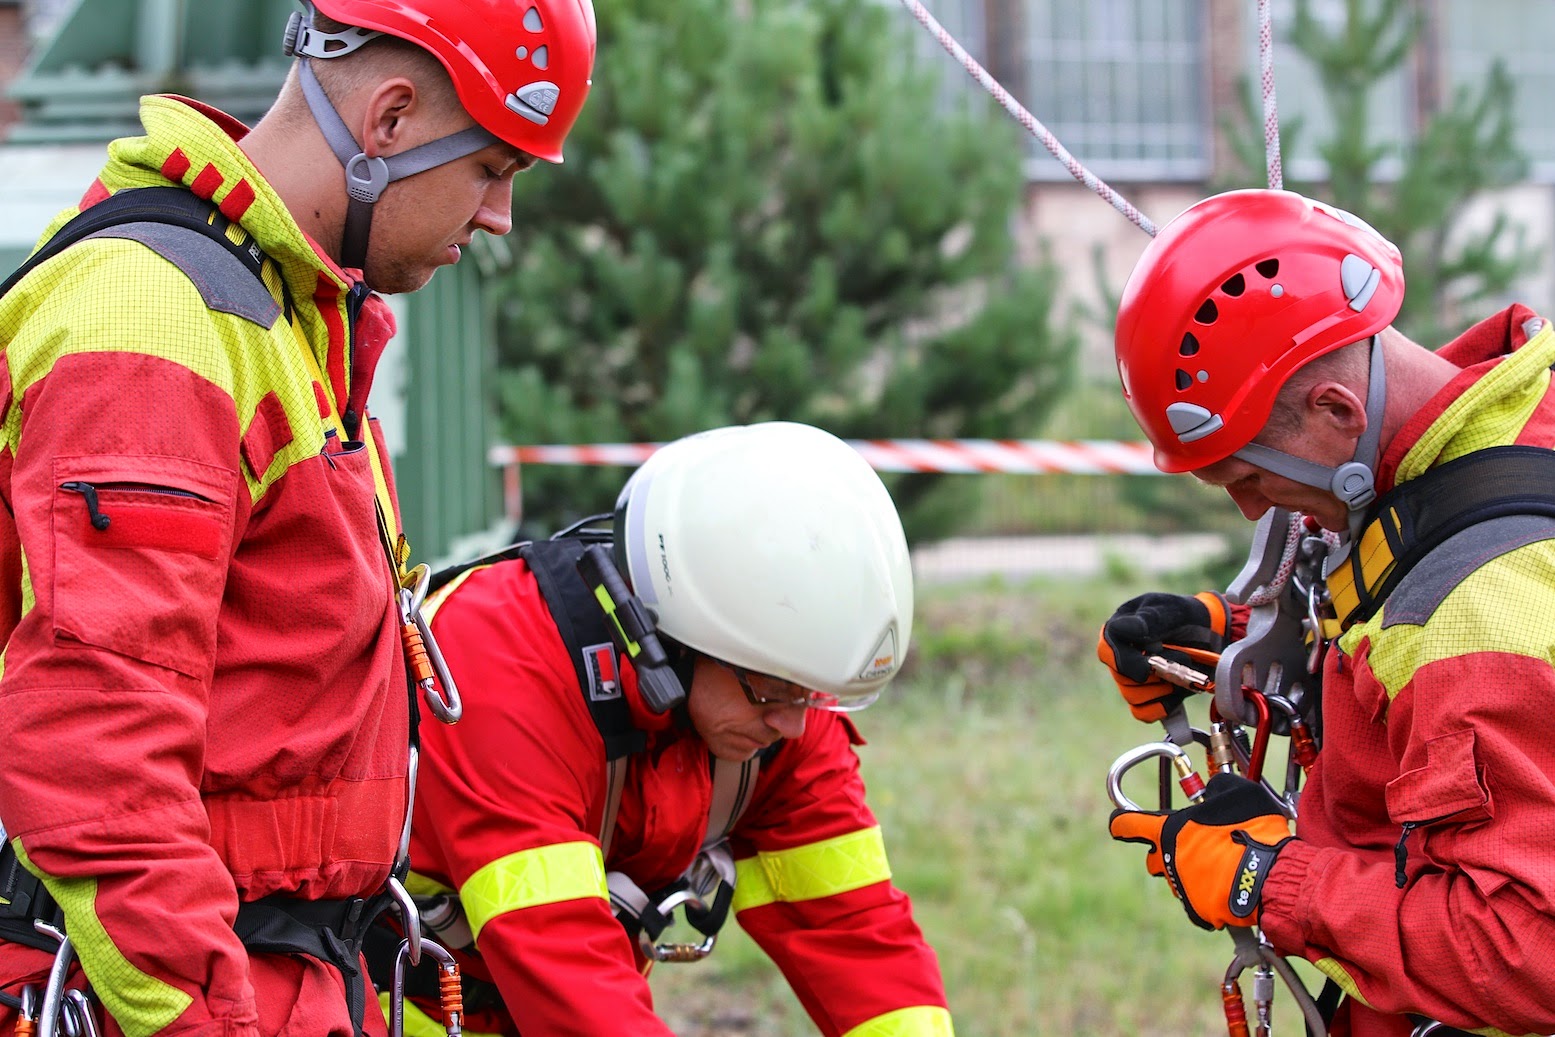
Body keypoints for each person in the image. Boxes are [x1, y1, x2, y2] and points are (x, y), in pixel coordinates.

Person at [0, 2, 594, 1036]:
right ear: (392, 121)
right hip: (169, 989)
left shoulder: (279, 310)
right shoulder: (152, 319)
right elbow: (100, 749)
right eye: (493, 168)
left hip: (283, 969)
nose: (497, 214)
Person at [1097, 188, 1555, 1037]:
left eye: (1247, 477)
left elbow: (1524, 953)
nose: (1247, 512)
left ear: (1336, 412)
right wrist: (1239, 645)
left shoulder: (1479, 609)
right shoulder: (1494, 438)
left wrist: (1271, 879)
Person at [372, 421, 955, 1037]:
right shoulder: (502, 667)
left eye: (813, 694)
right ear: (675, 639)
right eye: (777, 691)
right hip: (386, 1008)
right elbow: (568, 977)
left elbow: (857, 936)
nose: (794, 722)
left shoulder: (772, 688)